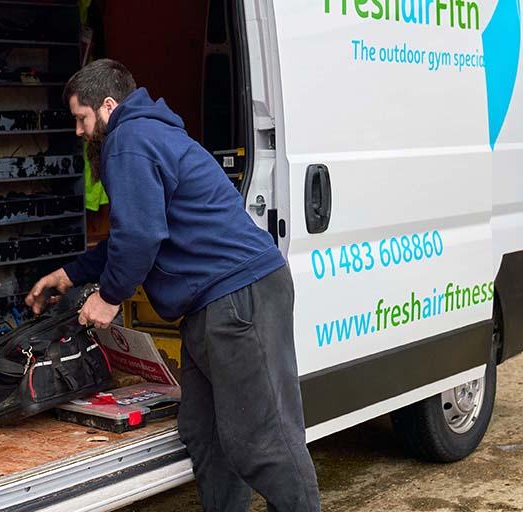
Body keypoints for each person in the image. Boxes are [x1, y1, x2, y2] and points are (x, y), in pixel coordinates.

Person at [25, 59, 321, 512]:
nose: (81, 132)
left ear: (108, 106)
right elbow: (135, 233)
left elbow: (141, 236)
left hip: (238, 298)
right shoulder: (149, 135)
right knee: (205, 434)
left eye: (82, 119)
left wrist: (108, 297)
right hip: (217, 302)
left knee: (265, 443)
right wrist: (69, 275)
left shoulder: (127, 139)